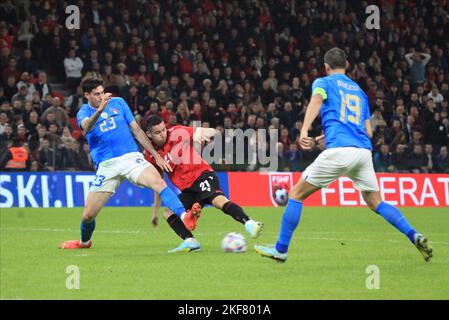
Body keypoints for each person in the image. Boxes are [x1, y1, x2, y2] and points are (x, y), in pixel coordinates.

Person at [255, 48, 433, 263]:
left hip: (340, 150)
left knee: (296, 194)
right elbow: (367, 131)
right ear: (346, 64)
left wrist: (304, 131)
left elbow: (316, 101)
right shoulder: (360, 91)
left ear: (326, 67)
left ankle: (280, 250)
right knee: (375, 201)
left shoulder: (323, 82)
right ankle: (414, 235)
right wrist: (326, 135)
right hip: (362, 153)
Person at [59, 78, 201, 252]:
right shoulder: (84, 111)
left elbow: (137, 130)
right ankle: (84, 242)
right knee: (88, 216)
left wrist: (156, 155)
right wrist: (100, 110)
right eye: (97, 94)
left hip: (131, 158)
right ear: (87, 95)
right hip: (107, 165)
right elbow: (87, 127)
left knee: (159, 183)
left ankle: (185, 216)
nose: (101, 96)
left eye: (102, 92)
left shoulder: (118, 102)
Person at [144, 115, 264, 252]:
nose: (163, 134)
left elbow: (207, 131)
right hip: (188, 190)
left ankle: (250, 224)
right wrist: (155, 213)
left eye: (164, 130)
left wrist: (203, 133)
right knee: (168, 212)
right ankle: (191, 242)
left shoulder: (177, 132)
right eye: (157, 132)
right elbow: (158, 183)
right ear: (149, 134)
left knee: (218, 201)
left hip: (202, 175)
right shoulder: (151, 155)